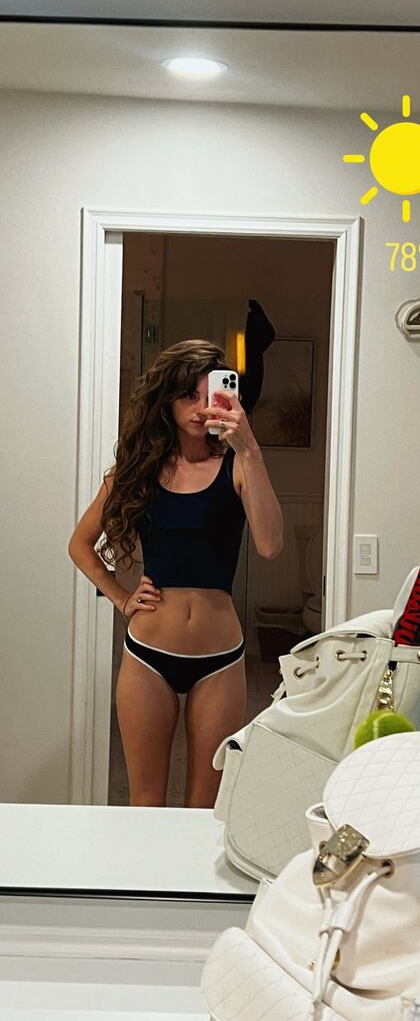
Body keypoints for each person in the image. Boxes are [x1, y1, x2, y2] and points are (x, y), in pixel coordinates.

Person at [68, 339, 283, 809]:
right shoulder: (136, 471)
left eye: (210, 395)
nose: (201, 407)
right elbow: (79, 544)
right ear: (166, 400)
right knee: (144, 805)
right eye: (188, 395)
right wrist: (121, 597)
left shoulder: (236, 466)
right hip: (148, 656)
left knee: (204, 810)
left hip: (220, 659)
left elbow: (270, 545)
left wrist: (249, 448)